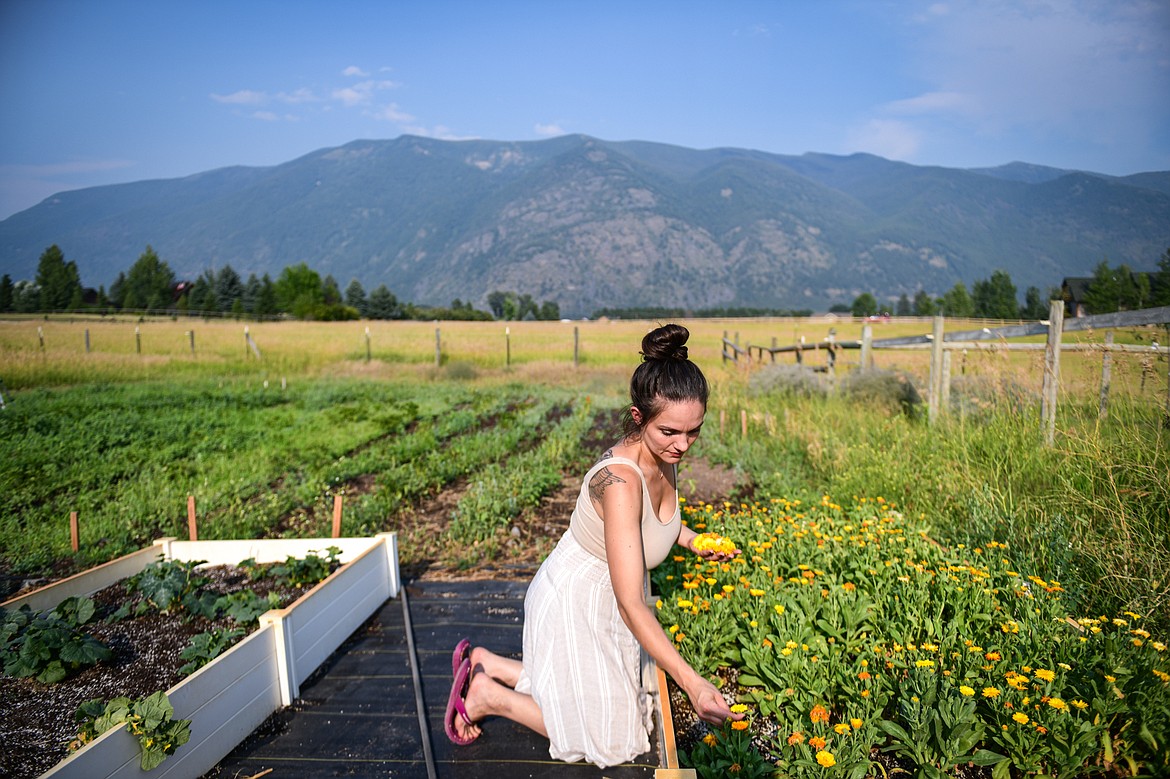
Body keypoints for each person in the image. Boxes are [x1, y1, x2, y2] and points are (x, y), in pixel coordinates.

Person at [445, 323, 743, 768]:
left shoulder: (662, 452)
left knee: (613, 709)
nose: (683, 445)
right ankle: (488, 695)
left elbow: (651, 524)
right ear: (638, 418)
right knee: (608, 742)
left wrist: (692, 538)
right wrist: (692, 681)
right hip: (579, 599)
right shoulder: (620, 482)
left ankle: (488, 662)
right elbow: (629, 602)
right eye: (671, 432)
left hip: (611, 595)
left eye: (693, 431)